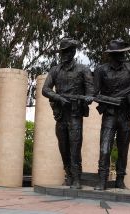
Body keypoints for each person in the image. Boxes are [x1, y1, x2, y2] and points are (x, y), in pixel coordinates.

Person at [93, 39, 130, 190]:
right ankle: (102, 180)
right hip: (109, 115)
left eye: (123, 52)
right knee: (105, 148)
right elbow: (94, 95)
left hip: (126, 115)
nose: (122, 55)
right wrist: (111, 100)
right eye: (119, 53)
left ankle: (120, 180)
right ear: (111, 55)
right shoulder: (101, 70)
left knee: (123, 149)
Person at [42, 38, 94, 189]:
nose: (64, 55)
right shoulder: (55, 70)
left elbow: (90, 90)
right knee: (63, 147)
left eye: (67, 51)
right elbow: (45, 89)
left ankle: (77, 178)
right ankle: (69, 175)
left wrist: (89, 98)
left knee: (75, 146)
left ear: (73, 52)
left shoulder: (83, 70)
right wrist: (58, 98)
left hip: (75, 114)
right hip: (60, 115)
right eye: (62, 52)